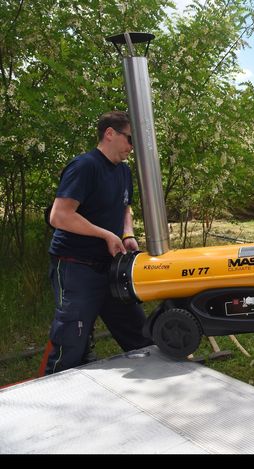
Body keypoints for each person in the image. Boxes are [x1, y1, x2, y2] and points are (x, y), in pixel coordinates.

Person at [45, 110, 152, 374]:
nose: (132, 148)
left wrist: (127, 234)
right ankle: (55, 393)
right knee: (70, 344)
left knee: (142, 335)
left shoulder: (124, 171)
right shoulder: (84, 167)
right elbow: (59, 216)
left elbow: (125, 207)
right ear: (110, 134)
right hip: (75, 267)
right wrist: (105, 234)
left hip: (111, 268)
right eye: (130, 139)